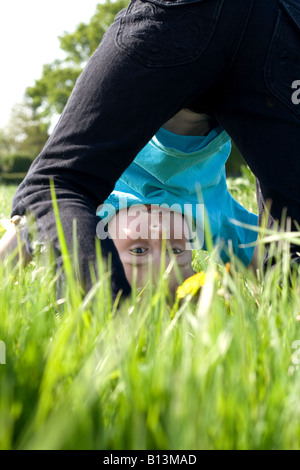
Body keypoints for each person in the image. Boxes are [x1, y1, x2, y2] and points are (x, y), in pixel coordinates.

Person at [5, 0, 300, 299]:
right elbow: (270, 254)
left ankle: (113, 323)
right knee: (291, 252)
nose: (159, 232)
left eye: (139, 249)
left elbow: (32, 222)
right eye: (176, 250)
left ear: (98, 242)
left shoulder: (88, 204)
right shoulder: (214, 222)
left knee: (53, 189)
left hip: (182, 23)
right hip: (276, 24)